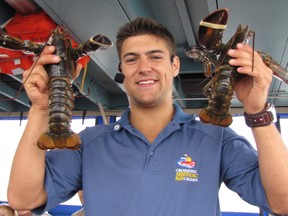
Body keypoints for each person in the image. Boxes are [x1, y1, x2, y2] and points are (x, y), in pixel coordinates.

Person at [7, 17, 288, 215]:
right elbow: (22, 198)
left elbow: (282, 202)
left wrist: (257, 110)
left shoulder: (218, 139)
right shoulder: (88, 143)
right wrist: (41, 108)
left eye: (155, 56)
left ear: (175, 65)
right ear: (122, 70)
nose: (144, 67)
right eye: (132, 59)